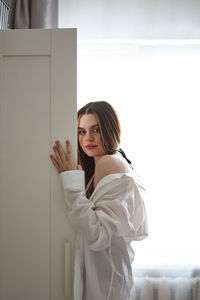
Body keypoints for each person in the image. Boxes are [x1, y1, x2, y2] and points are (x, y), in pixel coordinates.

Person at [50, 101, 148, 300]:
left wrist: (71, 184)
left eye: (96, 129)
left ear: (110, 128)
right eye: (81, 131)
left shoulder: (108, 162)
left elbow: (97, 234)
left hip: (107, 281)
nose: (88, 138)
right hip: (105, 276)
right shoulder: (100, 165)